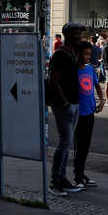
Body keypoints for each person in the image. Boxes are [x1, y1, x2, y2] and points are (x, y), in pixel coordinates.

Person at [47, 22, 85, 196]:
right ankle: (56, 180)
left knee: (67, 143)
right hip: (64, 105)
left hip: (73, 103)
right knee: (64, 142)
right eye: (77, 33)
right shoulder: (61, 54)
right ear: (68, 34)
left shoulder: (72, 53)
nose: (80, 36)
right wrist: (65, 103)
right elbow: (54, 81)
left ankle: (62, 178)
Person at [73, 40, 104, 189]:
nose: (87, 57)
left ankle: (82, 174)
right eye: (85, 54)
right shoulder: (73, 70)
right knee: (79, 146)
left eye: (89, 54)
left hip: (90, 112)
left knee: (86, 146)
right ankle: (77, 176)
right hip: (78, 114)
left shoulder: (90, 69)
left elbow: (97, 86)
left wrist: (102, 101)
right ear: (77, 54)